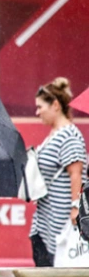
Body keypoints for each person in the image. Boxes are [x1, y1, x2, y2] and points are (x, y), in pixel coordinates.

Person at [30, 78, 86, 267]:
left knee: (57, 275)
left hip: (61, 220)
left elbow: (77, 173)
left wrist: (76, 207)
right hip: (46, 217)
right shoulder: (54, 134)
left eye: (40, 107)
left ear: (55, 105)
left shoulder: (69, 134)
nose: (37, 113)